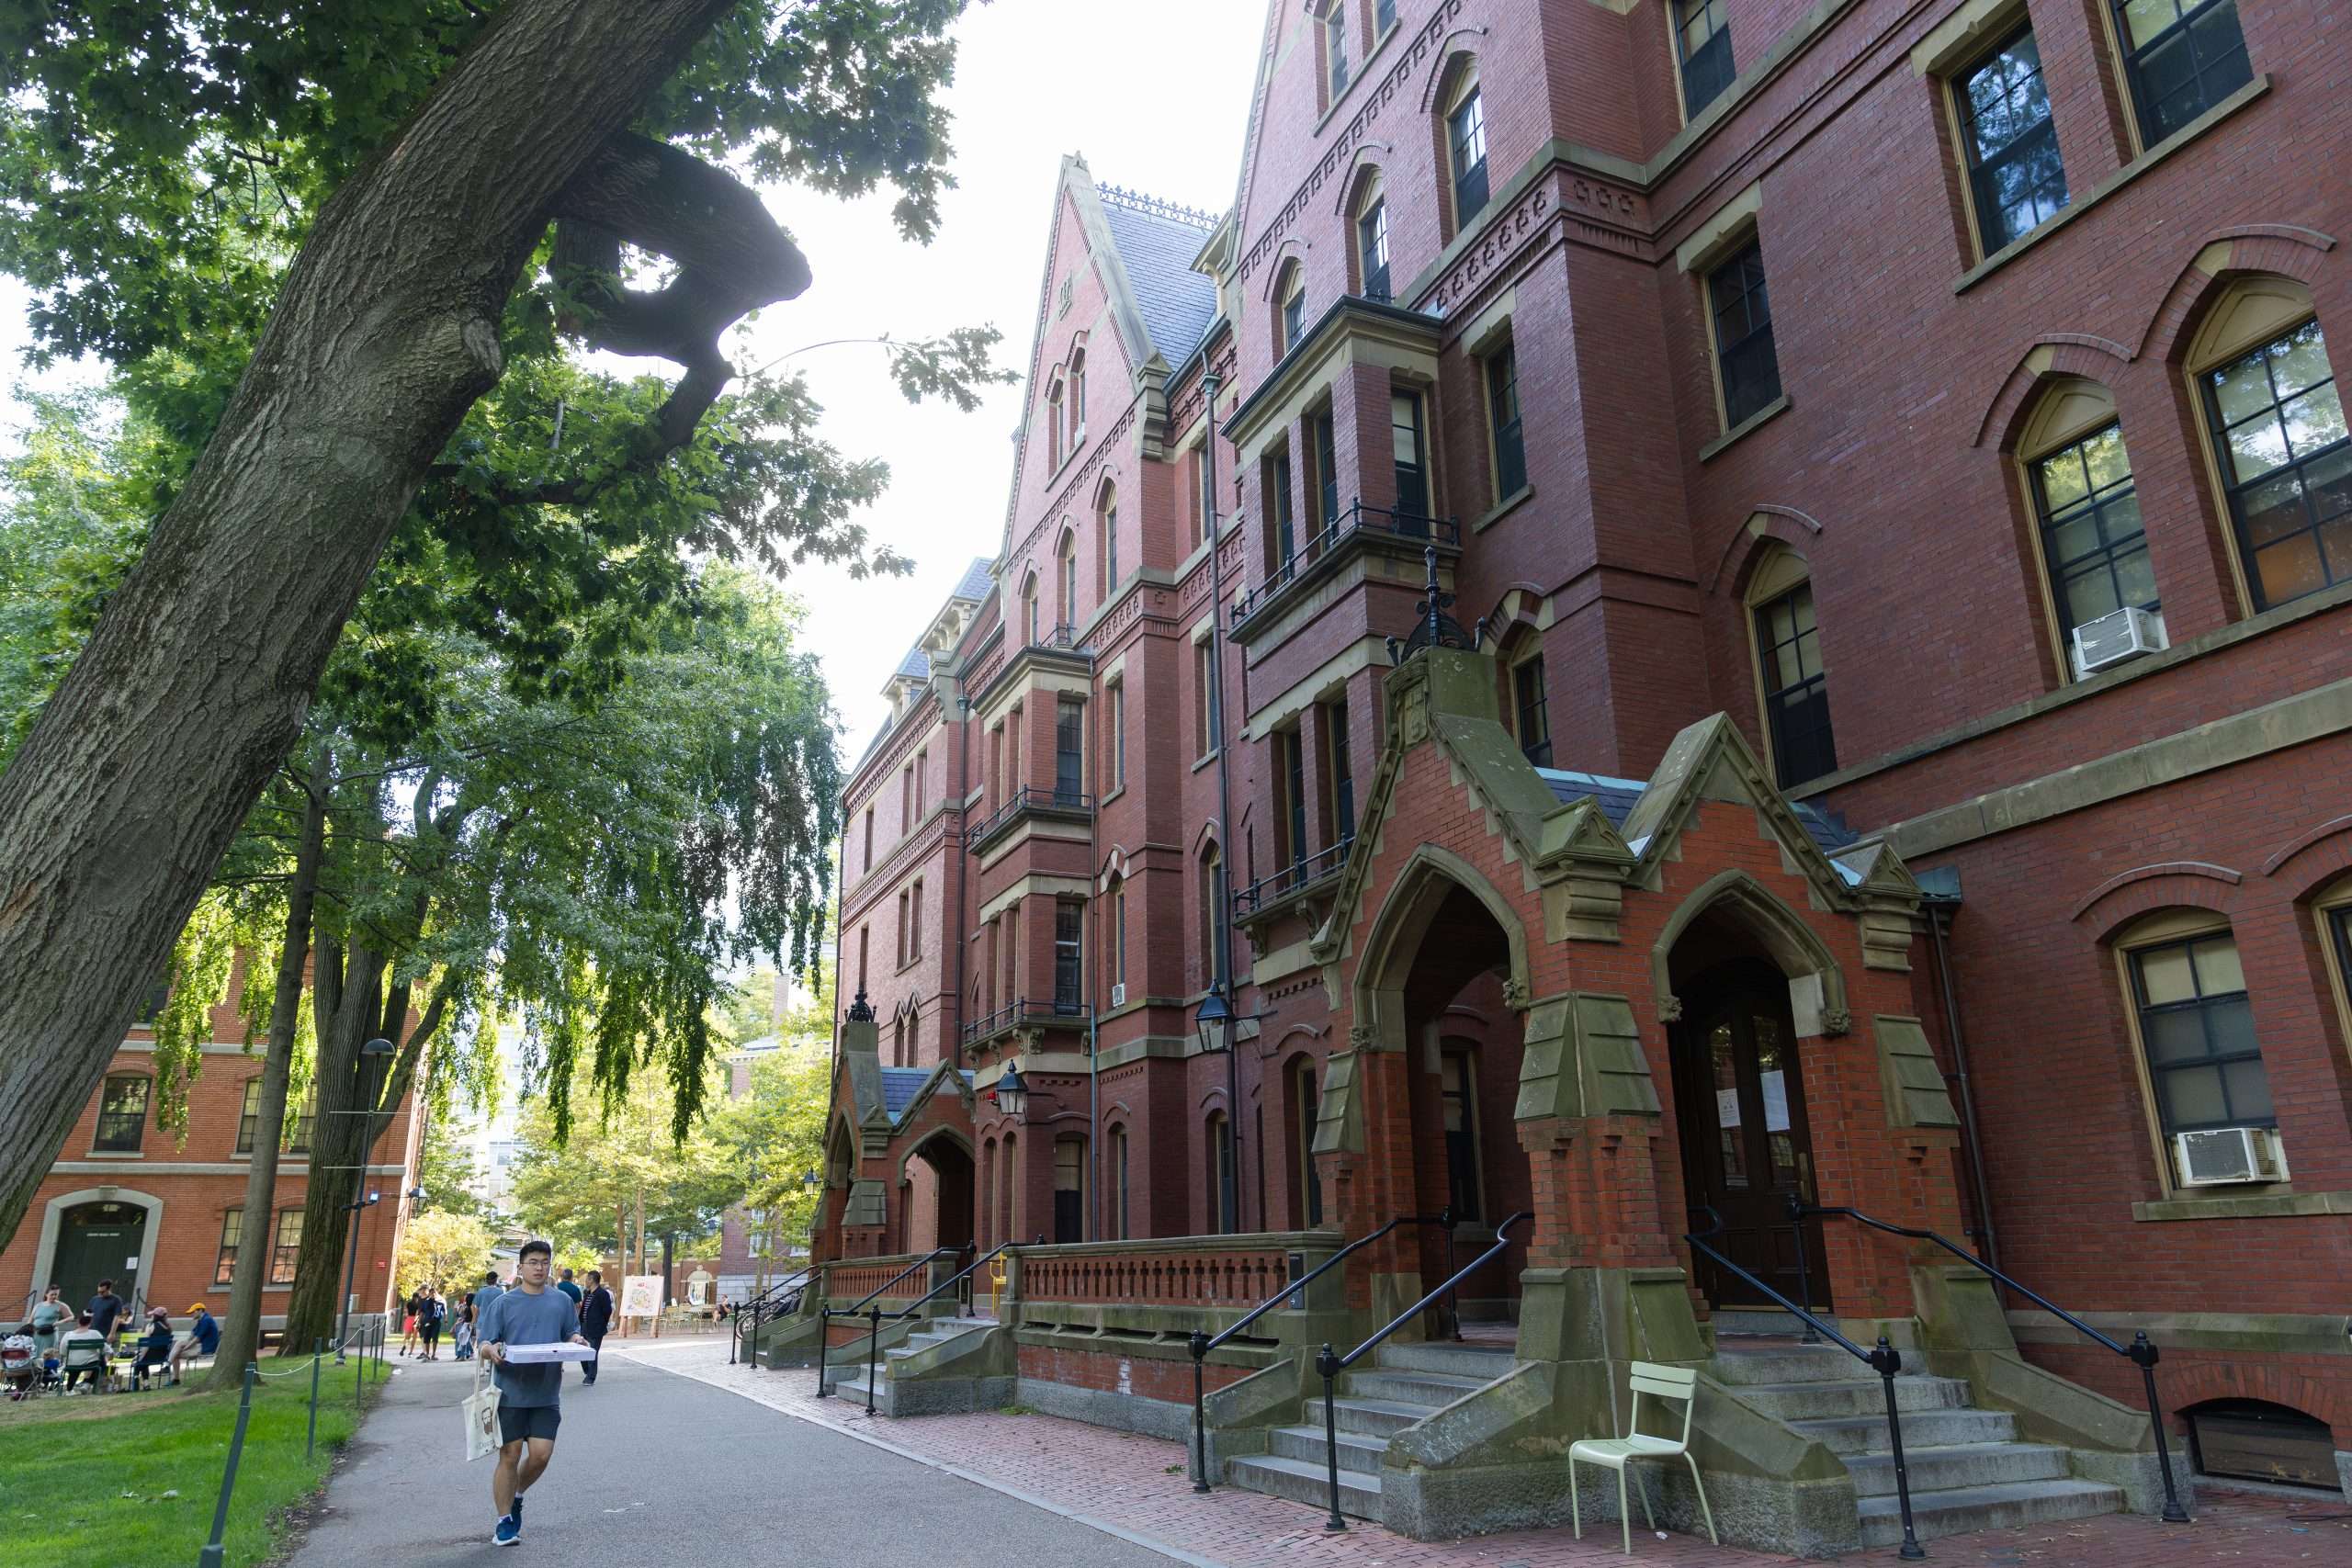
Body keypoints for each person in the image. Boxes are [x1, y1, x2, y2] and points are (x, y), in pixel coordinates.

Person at [478, 1239, 587, 1547]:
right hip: (510, 1394)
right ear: (521, 1267)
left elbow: (569, 1332)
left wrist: (577, 1339)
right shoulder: (504, 1303)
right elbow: (485, 1342)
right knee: (509, 1455)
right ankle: (503, 1523)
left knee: (541, 1456)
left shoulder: (561, 1301)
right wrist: (491, 1348)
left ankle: (516, 1496)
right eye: (534, 1262)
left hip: (546, 1393)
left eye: (545, 1262)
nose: (540, 1268)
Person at [168, 1302, 220, 1382]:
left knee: (176, 1353)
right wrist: (185, 1343)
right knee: (178, 1347)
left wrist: (184, 1348)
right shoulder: (201, 1320)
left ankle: (170, 1369)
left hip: (206, 1348)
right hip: (201, 1346)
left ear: (200, 1311)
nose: (192, 1314)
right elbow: (193, 1334)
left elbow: (197, 1339)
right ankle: (170, 1369)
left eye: (193, 1312)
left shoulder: (206, 1320)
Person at [58, 1312, 108, 1393]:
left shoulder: (68, 1335)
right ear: (90, 1322)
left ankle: (69, 1389)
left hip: (72, 1363)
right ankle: (87, 1383)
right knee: (101, 1361)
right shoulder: (95, 1333)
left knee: (74, 1368)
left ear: (78, 1322)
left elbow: (62, 1352)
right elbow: (105, 1349)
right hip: (90, 1363)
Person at [578, 1269, 612, 1385]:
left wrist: (602, 1323)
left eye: (587, 1279)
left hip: (596, 1327)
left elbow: (607, 1311)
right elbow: (584, 1310)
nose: (585, 1281)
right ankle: (588, 1371)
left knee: (593, 1352)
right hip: (584, 1326)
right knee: (581, 1351)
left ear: (592, 1280)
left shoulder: (602, 1294)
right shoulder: (587, 1293)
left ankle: (590, 1377)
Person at [130, 1309, 175, 1388]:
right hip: (163, 1356)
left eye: (152, 1315)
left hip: (150, 1355)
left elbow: (146, 1345)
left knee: (138, 1364)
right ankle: (146, 1384)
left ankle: (141, 1384)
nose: (151, 1317)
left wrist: (140, 1356)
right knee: (143, 1363)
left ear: (155, 1316)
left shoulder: (151, 1326)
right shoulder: (168, 1328)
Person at [27, 1286, 73, 1359]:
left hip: (49, 1334)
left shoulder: (60, 1305)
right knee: (35, 1354)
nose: (54, 1296)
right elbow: (30, 1319)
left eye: (56, 1294)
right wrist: (26, 1331)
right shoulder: (38, 1305)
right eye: (52, 1294)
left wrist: (59, 1323)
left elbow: (71, 1317)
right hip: (36, 1334)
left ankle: (47, 1369)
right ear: (46, 1294)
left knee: (47, 1355)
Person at [85, 1280, 126, 1344]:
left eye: (102, 1292)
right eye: (98, 1292)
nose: (100, 1294)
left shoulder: (116, 1300)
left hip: (105, 1332)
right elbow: (87, 1315)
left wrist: (112, 1333)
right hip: (91, 1331)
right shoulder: (94, 1299)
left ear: (109, 1289)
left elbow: (117, 1317)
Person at [418, 1285, 445, 1360]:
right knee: (426, 1338)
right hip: (427, 1321)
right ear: (429, 1294)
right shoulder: (426, 1302)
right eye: (431, 1293)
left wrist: (443, 1318)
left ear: (436, 1294)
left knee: (435, 1338)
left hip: (436, 1322)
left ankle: (433, 1354)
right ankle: (427, 1354)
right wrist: (418, 1322)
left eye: (434, 1293)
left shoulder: (440, 1303)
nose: (433, 1294)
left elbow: (442, 1312)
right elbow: (422, 1313)